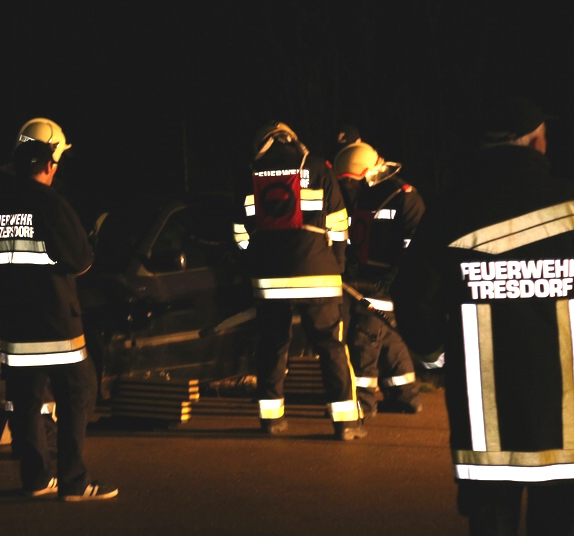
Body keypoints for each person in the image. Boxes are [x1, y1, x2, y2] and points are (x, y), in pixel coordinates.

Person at [392, 98, 574, 535]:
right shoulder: (568, 204)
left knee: (491, 520)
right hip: (566, 418)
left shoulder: (449, 209)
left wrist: (438, 359)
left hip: (484, 418)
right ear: (536, 141)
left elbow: (414, 299)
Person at [0, 129, 117, 500]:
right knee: (77, 396)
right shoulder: (51, 204)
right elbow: (80, 261)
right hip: (56, 321)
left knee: (24, 402)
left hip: (14, 322)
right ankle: (74, 481)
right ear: (48, 166)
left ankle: (36, 479)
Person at [234, 120, 365, 440]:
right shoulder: (318, 167)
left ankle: (271, 419)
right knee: (331, 346)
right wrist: (337, 264)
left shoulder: (250, 173)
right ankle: (346, 423)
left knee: (272, 345)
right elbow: (339, 222)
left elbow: (240, 231)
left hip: (268, 278)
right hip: (318, 273)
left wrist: (254, 261)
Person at [333, 140, 424, 417]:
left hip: (387, 284)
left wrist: (395, 277)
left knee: (363, 340)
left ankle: (362, 402)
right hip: (364, 281)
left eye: (350, 181)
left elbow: (417, 246)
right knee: (389, 340)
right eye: (344, 182)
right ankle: (406, 396)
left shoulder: (404, 196)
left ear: (368, 173)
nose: (347, 187)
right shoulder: (364, 196)